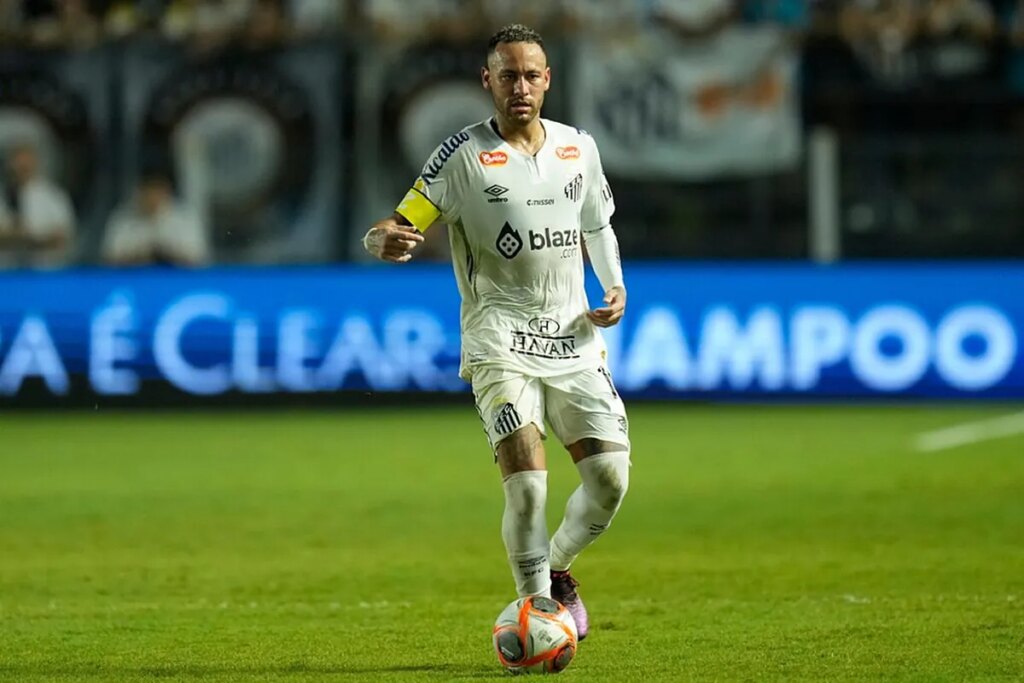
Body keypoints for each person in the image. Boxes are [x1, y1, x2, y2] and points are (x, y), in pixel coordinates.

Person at [362, 24, 630, 641]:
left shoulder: (578, 148)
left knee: (610, 483)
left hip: (573, 338)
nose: (521, 87)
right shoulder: (460, 156)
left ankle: (557, 570)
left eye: (531, 74)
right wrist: (381, 240)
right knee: (529, 488)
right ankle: (538, 611)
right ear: (487, 81)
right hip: (499, 340)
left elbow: (598, 226)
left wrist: (613, 288)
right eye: (507, 75)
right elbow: (402, 222)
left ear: (548, 80)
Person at [101, 171, 210, 267]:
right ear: (139, 191)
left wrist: (165, 254)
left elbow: (198, 259)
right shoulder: (122, 219)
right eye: (148, 191)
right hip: (132, 282)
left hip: (177, 283)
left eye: (157, 191)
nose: (152, 197)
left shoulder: (185, 218)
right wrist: (142, 256)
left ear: (167, 191)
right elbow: (109, 260)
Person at [0, 142, 76, 269]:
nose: (21, 168)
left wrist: (30, 238)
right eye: (17, 165)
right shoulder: (2, 195)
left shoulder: (53, 197)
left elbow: (63, 238)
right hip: (5, 274)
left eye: (25, 165)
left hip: (44, 273)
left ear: (35, 163)